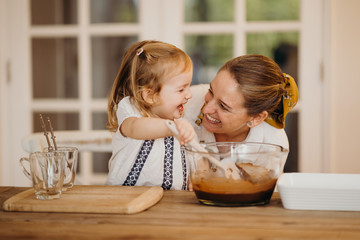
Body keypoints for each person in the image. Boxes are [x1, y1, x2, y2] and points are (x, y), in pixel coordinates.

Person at [106, 40, 195, 190]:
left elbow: (191, 157)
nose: (189, 95)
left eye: (189, 87)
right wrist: (170, 128)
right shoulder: (131, 109)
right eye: (181, 90)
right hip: (125, 197)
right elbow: (134, 127)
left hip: (170, 201)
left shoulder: (177, 120)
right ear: (150, 95)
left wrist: (194, 176)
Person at [184, 54, 298, 150]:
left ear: (256, 118)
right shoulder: (185, 100)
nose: (205, 109)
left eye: (223, 106)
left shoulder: (272, 146)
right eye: (211, 91)